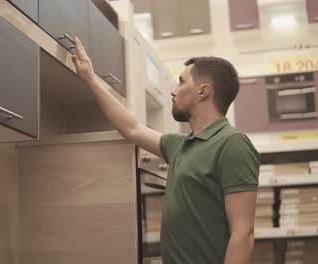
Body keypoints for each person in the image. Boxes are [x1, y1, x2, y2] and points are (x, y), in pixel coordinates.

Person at [71, 37, 260, 264]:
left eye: (181, 82)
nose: (174, 91)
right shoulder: (180, 145)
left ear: (203, 92)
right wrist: (91, 79)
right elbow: (132, 128)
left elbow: (243, 233)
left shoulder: (232, 144)